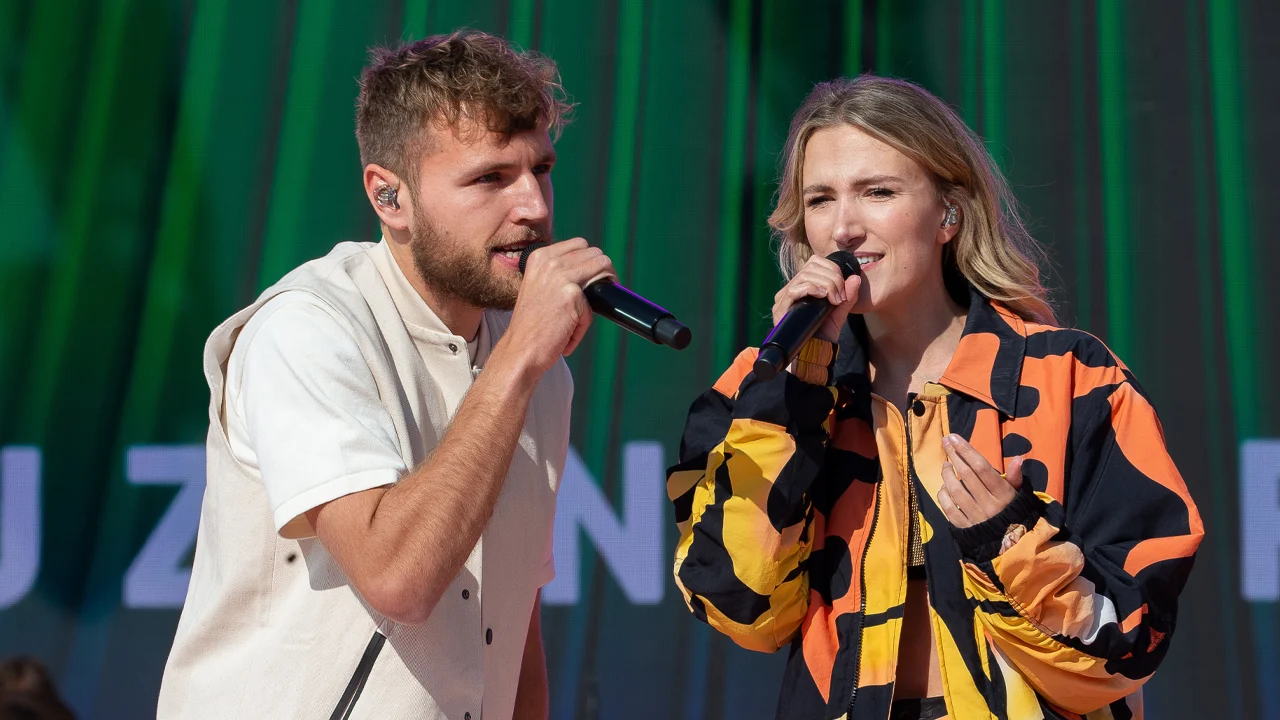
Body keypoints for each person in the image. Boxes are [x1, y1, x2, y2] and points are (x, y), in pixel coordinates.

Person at [667, 75, 1202, 720]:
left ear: (949, 214)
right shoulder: (759, 387)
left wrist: (1009, 539)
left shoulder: (1073, 377)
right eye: (819, 200)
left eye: (878, 193)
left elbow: (1129, 645)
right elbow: (739, 606)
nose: (843, 228)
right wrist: (792, 394)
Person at [158, 30, 614, 719]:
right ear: (389, 197)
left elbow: (514, 629)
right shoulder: (306, 329)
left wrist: (521, 360)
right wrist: (518, 362)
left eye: (540, 169)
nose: (535, 208)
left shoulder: (534, 364)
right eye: (490, 177)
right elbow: (399, 578)